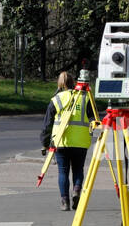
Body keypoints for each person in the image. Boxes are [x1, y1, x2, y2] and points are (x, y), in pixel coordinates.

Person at [40, 70, 96, 210]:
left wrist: (45, 143)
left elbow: (47, 125)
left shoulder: (56, 99)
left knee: (63, 171)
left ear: (60, 84)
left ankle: (65, 202)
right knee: (78, 169)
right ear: (73, 82)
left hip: (61, 141)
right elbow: (93, 119)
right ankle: (76, 190)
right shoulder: (85, 97)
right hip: (80, 142)